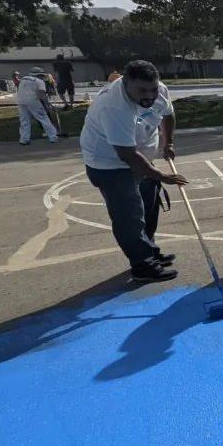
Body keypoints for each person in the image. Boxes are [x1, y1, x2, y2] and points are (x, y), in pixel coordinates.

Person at [80, 60, 188, 282]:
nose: (149, 95)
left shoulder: (160, 90)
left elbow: (167, 114)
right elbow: (127, 154)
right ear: (126, 83)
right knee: (129, 217)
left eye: (153, 89)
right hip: (110, 165)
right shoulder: (114, 107)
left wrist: (169, 143)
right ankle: (142, 266)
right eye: (142, 91)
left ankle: (149, 251)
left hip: (142, 158)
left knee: (149, 208)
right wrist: (161, 176)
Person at [15, 68, 58, 145]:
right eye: (42, 75)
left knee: (24, 120)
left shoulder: (23, 79)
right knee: (43, 118)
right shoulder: (39, 81)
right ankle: (53, 137)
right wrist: (47, 105)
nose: (43, 77)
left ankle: (24, 139)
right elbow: (42, 95)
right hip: (33, 100)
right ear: (38, 75)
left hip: (20, 100)